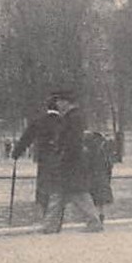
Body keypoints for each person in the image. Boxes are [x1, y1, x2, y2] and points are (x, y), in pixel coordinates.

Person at [41, 90, 104, 234]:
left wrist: (62, 155)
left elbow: (72, 141)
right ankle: (52, 225)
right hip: (73, 162)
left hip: (70, 163)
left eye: (59, 101)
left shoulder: (72, 118)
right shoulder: (74, 117)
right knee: (71, 194)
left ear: (65, 102)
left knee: (67, 194)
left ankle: (51, 225)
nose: (57, 104)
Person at [11, 95, 63, 212]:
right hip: (61, 158)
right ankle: (56, 214)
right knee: (58, 187)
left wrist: (16, 153)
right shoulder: (63, 121)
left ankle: (45, 212)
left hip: (44, 158)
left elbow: (26, 138)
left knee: (44, 185)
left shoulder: (39, 121)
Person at [83, 129, 115, 223]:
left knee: (92, 199)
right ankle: (100, 216)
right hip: (102, 177)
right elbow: (109, 165)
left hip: (92, 178)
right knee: (100, 201)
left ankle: (94, 219)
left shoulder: (88, 151)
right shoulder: (102, 150)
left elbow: (85, 165)